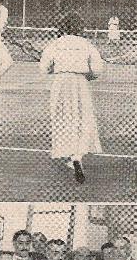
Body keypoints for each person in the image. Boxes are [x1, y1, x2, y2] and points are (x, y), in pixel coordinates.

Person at [39, 11, 104, 184]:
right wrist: (88, 75)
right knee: (83, 119)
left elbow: (44, 68)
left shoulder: (55, 44)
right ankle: (77, 156)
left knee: (62, 119)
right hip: (80, 83)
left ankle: (70, 154)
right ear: (79, 27)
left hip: (60, 83)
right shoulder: (86, 44)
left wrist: (56, 69)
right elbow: (97, 69)